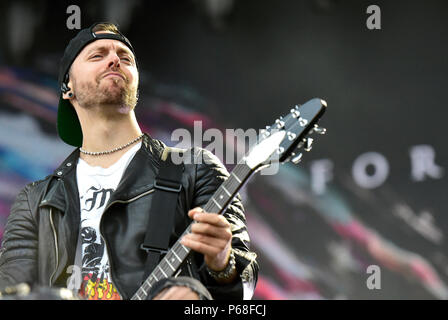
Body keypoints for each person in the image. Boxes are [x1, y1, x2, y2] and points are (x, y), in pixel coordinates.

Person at [0, 22, 258, 300]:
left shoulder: (195, 170)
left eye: (125, 58)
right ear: (68, 87)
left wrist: (223, 264)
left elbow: (241, 290)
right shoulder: (36, 200)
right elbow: (10, 292)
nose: (114, 59)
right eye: (97, 55)